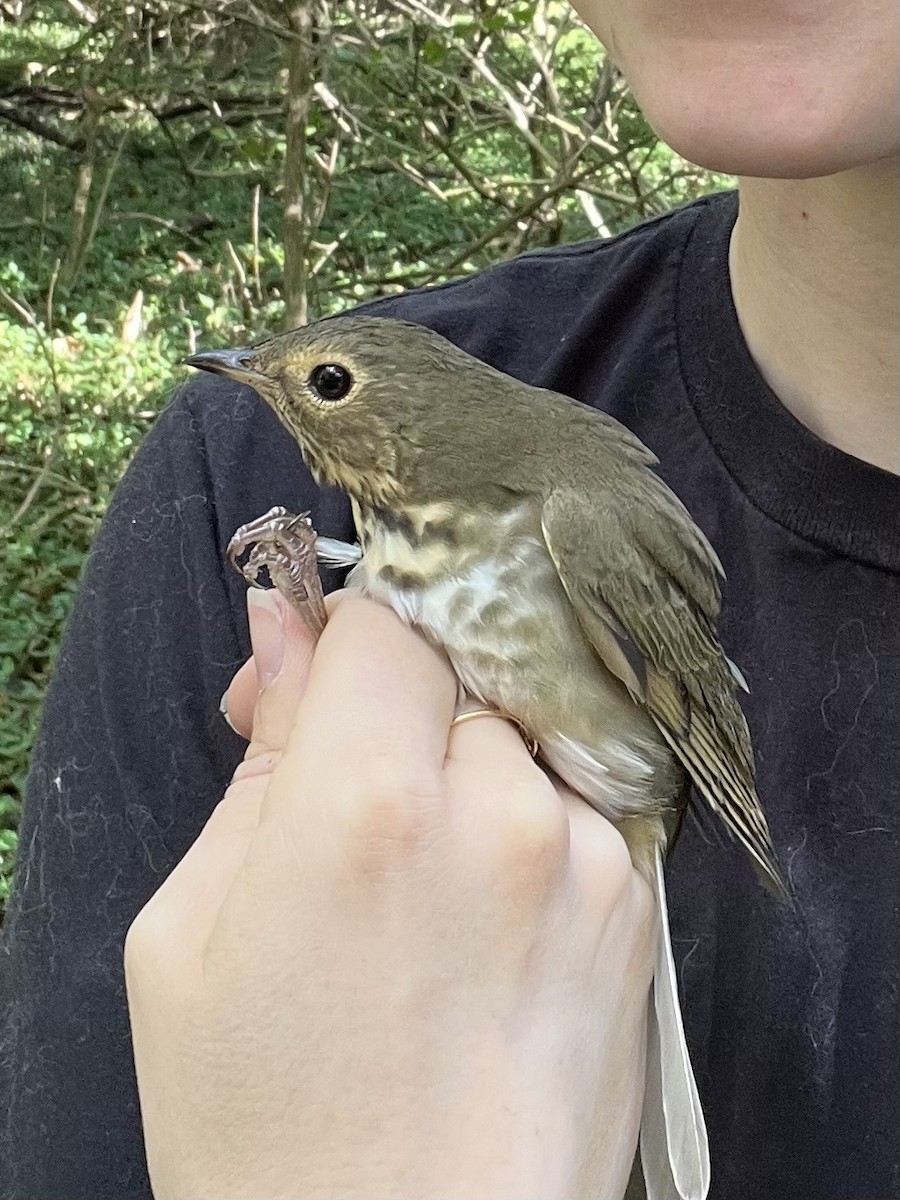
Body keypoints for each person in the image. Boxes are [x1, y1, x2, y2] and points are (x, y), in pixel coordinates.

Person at [1, 0, 897, 1196]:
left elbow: (682, 734)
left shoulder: (577, 506)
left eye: (321, 384)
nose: (271, 395)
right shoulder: (231, 494)